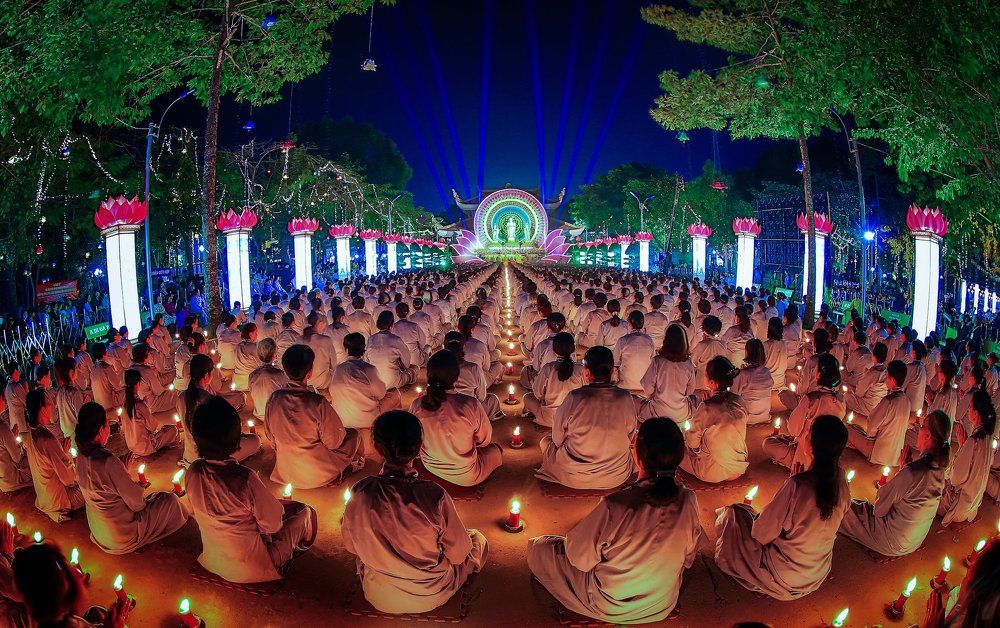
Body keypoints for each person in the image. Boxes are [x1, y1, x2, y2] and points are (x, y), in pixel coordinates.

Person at [528, 417, 701, 624]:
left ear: (636, 453)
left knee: (539, 548)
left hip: (610, 605)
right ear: (680, 457)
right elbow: (688, 559)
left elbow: (578, 558)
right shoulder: (689, 499)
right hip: (661, 605)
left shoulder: (616, 505)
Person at [341, 410, 487, 614]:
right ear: (419, 448)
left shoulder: (360, 490)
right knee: (476, 539)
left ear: (377, 448)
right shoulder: (433, 495)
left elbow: (351, 545)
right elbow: (459, 554)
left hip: (378, 594)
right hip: (431, 594)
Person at [715, 415, 851, 601]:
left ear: (811, 444)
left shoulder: (798, 484)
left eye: (808, 432)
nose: (804, 434)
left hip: (785, 575)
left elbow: (761, 534)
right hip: (817, 573)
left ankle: (767, 581)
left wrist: (791, 484)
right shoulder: (842, 480)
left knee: (735, 513)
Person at [187, 396, 317, 583]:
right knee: (304, 513)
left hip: (213, 561)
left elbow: (192, 510)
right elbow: (273, 525)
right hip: (254, 568)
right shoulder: (244, 477)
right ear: (237, 437)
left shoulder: (193, 471)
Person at [73, 402, 188, 554]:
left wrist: (121, 471)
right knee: (168, 500)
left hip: (99, 531)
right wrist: (132, 482)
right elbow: (138, 504)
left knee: (153, 498)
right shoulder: (108, 461)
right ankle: (141, 539)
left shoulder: (80, 457)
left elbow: (103, 485)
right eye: (107, 424)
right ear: (101, 430)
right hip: (122, 534)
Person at [839, 409, 950, 557]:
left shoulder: (913, 472)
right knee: (857, 505)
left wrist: (902, 472)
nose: (919, 430)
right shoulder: (940, 469)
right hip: (914, 540)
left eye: (922, 427)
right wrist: (904, 470)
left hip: (893, 540)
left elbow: (879, 509)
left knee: (839, 509)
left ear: (928, 435)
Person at [536, 346, 638, 490]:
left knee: (545, 442)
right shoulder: (625, 397)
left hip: (575, 476)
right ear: (613, 370)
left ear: (586, 372)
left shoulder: (575, 397)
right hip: (616, 475)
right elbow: (630, 436)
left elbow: (557, 439)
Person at [267, 344, 363, 489]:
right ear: (310, 372)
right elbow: (334, 443)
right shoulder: (317, 402)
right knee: (354, 435)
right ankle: (344, 469)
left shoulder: (274, 398)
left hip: (286, 472)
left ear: (285, 371)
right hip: (316, 474)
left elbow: (271, 440)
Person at [409, 350, 501, 487]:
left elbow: (415, 440)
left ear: (428, 375)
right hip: (467, 476)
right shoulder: (470, 404)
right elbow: (484, 440)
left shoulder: (417, 405)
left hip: (430, 467)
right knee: (496, 450)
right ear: (457, 378)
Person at [11, 542, 133, 627]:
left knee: (95, 612)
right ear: (65, 590)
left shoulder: (38, 611)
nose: (77, 572)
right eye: (63, 566)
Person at [762, 354, 845, 471]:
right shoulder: (841, 400)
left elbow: (793, 430)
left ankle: (792, 464)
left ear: (819, 374)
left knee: (768, 443)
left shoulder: (811, 399)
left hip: (805, 457)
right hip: (828, 457)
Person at [178, 354, 260, 466]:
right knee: (254, 440)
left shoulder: (181, 397)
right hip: (211, 457)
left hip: (190, 457)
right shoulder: (210, 401)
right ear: (207, 375)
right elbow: (222, 435)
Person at [681, 356, 750, 483]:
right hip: (738, 469)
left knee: (676, 448)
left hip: (712, 472)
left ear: (712, 382)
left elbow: (692, 444)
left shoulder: (707, 407)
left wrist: (704, 407)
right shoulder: (739, 400)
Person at [23, 388, 84, 522]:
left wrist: (60, 451)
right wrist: (67, 458)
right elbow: (68, 479)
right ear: (42, 409)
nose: (53, 406)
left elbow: (46, 462)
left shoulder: (30, 433)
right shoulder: (47, 438)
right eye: (49, 403)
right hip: (59, 499)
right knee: (90, 486)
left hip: (44, 496)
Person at [938, 389, 996, 526]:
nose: (968, 409)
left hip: (957, 507)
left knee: (932, 482)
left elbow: (956, 478)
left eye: (970, 407)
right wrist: (964, 446)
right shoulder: (988, 436)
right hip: (972, 506)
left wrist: (963, 448)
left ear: (975, 413)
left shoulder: (974, 440)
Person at [330, 333, 400, 433]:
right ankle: (390, 431)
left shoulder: (338, 369)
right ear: (364, 348)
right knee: (395, 393)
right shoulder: (369, 369)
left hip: (343, 420)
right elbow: (381, 394)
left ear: (346, 349)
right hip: (367, 420)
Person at [523, 332, 585, 428]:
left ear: (554, 350)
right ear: (573, 349)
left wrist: (545, 398)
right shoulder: (581, 369)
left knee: (527, 397)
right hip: (573, 419)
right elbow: (585, 394)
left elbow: (537, 393)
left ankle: (536, 417)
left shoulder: (548, 368)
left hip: (549, 418)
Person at [638, 324, 697, 424]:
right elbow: (690, 391)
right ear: (684, 342)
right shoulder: (688, 363)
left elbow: (648, 388)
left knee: (635, 402)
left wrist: (656, 397)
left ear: (666, 341)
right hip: (681, 413)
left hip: (658, 412)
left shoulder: (658, 361)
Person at [120, 369, 179, 457]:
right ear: (138, 384)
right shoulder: (139, 405)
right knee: (173, 429)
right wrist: (146, 406)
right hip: (146, 447)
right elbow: (153, 426)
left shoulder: (124, 405)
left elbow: (124, 429)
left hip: (131, 446)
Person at [366, 311, 417, 390]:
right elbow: (406, 364)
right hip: (392, 381)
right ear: (392, 325)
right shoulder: (396, 339)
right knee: (414, 369)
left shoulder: (371, 339)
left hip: (374, 381)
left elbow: (367, 361)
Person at [730, 339, 774, 426]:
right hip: (764, 416)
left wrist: (736, 376)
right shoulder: (767, 371)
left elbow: (732, 395)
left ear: (747, 352)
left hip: (746, 418)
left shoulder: (743, 374)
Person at [247, 338, 289, 421]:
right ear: (274, 355)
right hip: (275, 416)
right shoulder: (280, 374)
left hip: (259, 414)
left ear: (259, 355)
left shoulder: (252, 375)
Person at [613, 311, 655, 391]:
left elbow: (615, 363)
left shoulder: (623, 340)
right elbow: (652, 361)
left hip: (625, 385)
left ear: (629, 323)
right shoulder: (649, 340)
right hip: (644, 385)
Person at [846, 341, 890, 418]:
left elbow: (859, 393)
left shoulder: (873, 372)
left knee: (847, 395)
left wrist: (866, 375)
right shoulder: (886, 371)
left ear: (873, 356)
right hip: (880, 406)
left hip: (869, 406)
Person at [54, 358, 92, 444]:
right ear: (71, 372)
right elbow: (81, 417)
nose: (78, 371)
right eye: (76, 368)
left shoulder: (60, 391)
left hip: (67, 437)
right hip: (77, 437)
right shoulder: (74, 393)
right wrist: (85, 404)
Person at [0, 390, 31, 492]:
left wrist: (11, 437)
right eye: (3, 398)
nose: (5, 401)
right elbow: (17, 457)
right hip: (13, 478)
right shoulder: (2, 427)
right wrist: (17, 444)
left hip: (3, 480)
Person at [232, 322, 261, 391]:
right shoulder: (255, 347)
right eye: (255, 333)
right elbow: (260, 365)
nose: (257, 335)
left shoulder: (238, 346)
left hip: (238, 382)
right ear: (250, 334)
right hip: (251, 382)